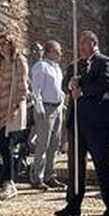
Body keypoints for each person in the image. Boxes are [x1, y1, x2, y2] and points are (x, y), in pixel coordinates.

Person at [55, 31, 109, 216]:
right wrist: (70, 84)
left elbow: (105, 83)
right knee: (75, 165)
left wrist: (83, 91)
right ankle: (73, 204)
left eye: (84, 42)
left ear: (94, 43)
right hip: (76, 121)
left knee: (102, 163)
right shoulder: (74, 66)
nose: (81, 46)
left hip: (97, 121)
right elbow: (64, 85)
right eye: (79, 43)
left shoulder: (105, 62)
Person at [0, 33, 28, 201]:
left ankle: (9, 183)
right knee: (1, 144)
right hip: (1, 108)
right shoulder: (2, 63)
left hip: (12, 109)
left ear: (12, 45)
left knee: (7, 144)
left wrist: (17, 107)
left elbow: (22, 86)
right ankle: (5, 181)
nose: (2, 47)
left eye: (6, 44)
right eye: (0, 44)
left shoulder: (18, 61)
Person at [28, 41, 65, 191]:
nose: (60, 54)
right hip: (46, 108)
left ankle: (50, 175)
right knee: (43, 143)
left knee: (54, 144)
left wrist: (62, 103)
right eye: (57, 51)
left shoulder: (56, 68)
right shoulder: (41, 66)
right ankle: (37, 177)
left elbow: (59, 88)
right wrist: (39, 107)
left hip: (57, 108)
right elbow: (36, 89)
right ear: (49, 51)